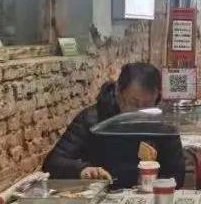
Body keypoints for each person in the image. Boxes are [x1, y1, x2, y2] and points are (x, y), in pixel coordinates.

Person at [43, 63, 186, 187]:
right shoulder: (92, 119)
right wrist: (83, 170)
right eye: (133, 103)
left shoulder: (162, 125)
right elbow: (53, 163)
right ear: (118, 93)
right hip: (100, 195)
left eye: (147, 104)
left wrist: (155, 182)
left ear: (157, 98)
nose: (140, 112)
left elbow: (177, 175)